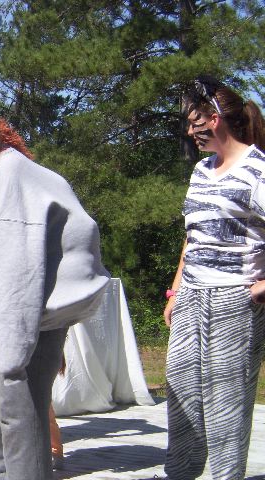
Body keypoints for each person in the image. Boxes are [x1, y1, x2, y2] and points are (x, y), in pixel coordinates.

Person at [0, 86, 110, 480]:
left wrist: (15, 358)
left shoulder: (9, 172)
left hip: (27, 322)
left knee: (19, 415)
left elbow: (19, 268)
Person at [162, 76, 265, 480]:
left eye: (195, 122)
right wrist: (175, 291)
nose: (191, 131)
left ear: (216, 118)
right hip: (191, 297)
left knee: (226, 402)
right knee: (181, 394)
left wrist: (261, 286)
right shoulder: (202, 171)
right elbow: (193, 237)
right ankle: (180, 474)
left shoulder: (257, 170)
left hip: (235, 302)